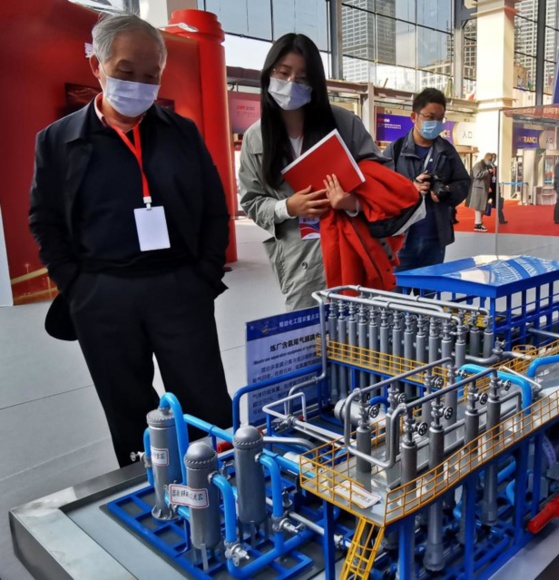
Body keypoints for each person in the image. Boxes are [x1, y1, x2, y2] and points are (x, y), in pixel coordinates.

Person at [29, 14, 232, 466]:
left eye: (150, 75)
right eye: (125, 71)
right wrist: (76, 286)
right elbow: (43, 219)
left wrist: (203, 274)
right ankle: (149, 496)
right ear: (97, 67)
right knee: (130, 413)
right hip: (103, 295)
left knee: (207, 404)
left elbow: (215, 208)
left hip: (180, 288)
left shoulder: (181, 133)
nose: (139, 84)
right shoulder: (59, 141)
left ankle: (220, 489)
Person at [239, 33, 387, 310]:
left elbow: (380, 179)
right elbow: (251, 201)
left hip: (353, 251)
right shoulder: (256, 138)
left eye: (303, 78)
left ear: (316, 84)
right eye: (283, 73)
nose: (291, 83)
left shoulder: (344, 122)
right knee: (308, 341)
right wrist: (287, 207)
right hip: (301, 261)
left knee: (362, 342)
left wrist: (351, 203)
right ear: (269, 74)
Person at [386, 88, 470, 266]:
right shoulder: (396, 150)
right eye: (430, 117)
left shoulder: (447, 151)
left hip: (435, 239)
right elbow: (380, 188)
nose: (436, 123)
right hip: (401, 238)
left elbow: (463, 182)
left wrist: (447, 192)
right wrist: (411, 188)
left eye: (440, 118)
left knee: (429, 294)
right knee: (397, 293)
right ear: (413, 117)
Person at [469, 153, 494, 231]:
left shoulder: (485, 166)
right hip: (478, 189)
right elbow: (477, 175)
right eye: (490, 160)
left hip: (483, 189)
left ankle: (478, 223)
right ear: (486, 158)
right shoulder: (478, 165)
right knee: (478, 207)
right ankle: (478, 224)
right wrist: (487, 172)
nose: (490, 162)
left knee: (481, 207)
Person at [487, 153, 508, 224]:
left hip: (495, 186)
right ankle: (478, 221)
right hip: (489, 187)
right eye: (492, 157)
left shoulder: (495, 167)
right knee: (483, 204)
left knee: (498, 203)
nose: (494, 159)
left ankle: (501, 219)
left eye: (495, 157)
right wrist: (488, 186)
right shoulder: (486, 166)